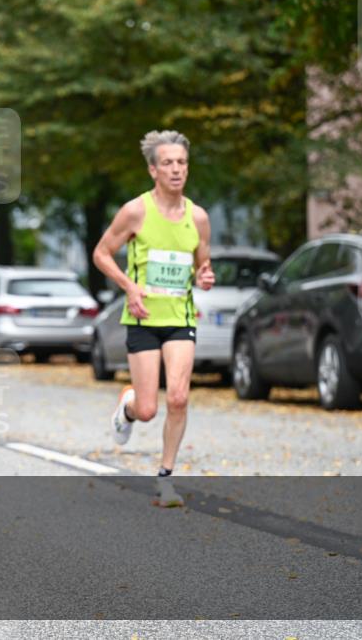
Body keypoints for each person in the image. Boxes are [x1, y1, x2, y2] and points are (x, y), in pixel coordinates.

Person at [93, 130, 214, 508]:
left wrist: (205, 277)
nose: (176, 170)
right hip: (143, 318)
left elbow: (202, 267)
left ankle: (165, 480)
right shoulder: (135, 211)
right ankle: (128, 405)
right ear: (153, 170)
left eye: (181, 163)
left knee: (178, 397)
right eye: (168, 163)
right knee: (148, 410)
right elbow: (101, 253)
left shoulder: (198, 217)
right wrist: (129, 286)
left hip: (180, 317)